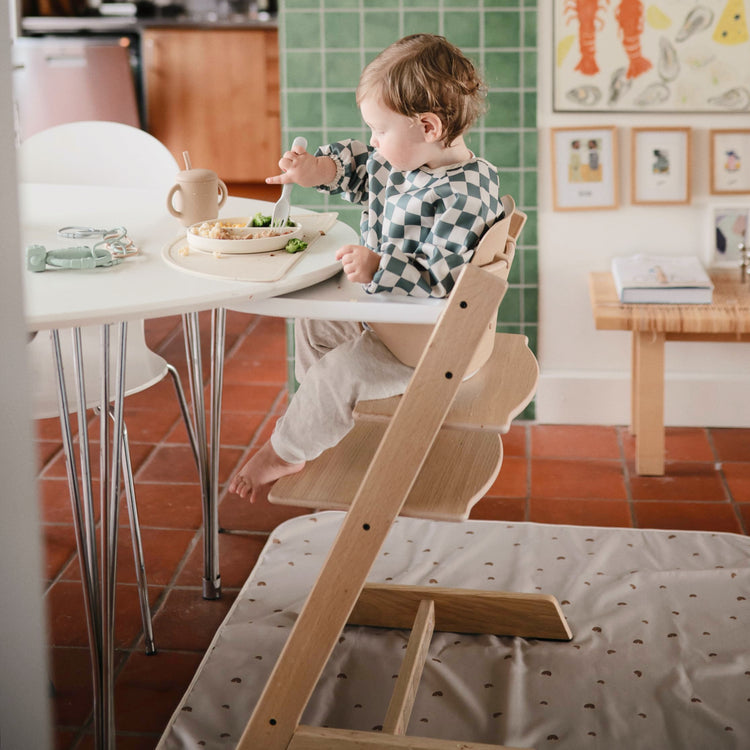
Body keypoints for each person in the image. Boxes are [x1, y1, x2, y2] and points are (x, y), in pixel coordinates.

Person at [229, 33, 503, 503]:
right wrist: (316, 170)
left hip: (427, 343)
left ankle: (286, 450)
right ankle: (319, 414)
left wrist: (379, 266)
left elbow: (442, 277)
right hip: (393, 320)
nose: (373, 140)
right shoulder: (412, 161)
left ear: (428, 126)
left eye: (379, 129)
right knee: (313, 319)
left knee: (339, 373)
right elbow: (361, 167)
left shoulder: (463, 196)